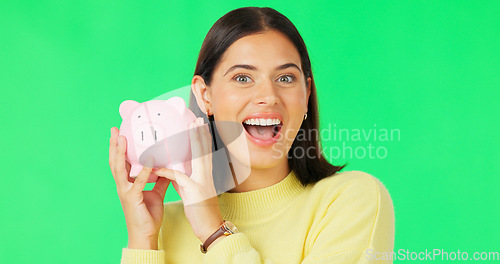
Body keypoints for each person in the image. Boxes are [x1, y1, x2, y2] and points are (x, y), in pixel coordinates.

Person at [109, 6, 395, 264]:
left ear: (306, 94)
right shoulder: (163, 223)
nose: (268, 97)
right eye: (243, 78)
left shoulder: (351, 201)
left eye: (285, 78)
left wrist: (213, 230)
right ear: (204, 95)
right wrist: (143, 241)